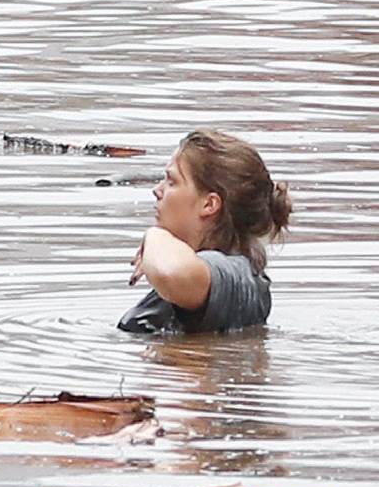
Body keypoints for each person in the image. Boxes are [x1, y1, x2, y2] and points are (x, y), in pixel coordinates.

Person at [119, 129, 291, 336]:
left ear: (209, 204)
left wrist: (156, 236)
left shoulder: (236, 274)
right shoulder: (236, 275)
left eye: (172, 181)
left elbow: (172, 272)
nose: (157, 190)